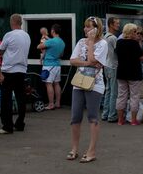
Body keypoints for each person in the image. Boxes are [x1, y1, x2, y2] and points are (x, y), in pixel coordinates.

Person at [68, 16, 108, 163]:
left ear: (97, 29)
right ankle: (74, 148)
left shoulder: (103, 43)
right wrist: (88, 63)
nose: (86, 29)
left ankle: (91, 151)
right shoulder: (80, 42)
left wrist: (90, 43)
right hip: (79, 82)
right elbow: (73, 60)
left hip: (95, 84)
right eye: (85, 26)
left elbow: (94, 60)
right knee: (75, 117)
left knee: (92, 116)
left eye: (89, 27)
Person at [0, 14, 31, 135]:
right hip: (22, 70)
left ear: (11, 22)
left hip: (8, 70)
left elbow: (0, 51)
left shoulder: (9, 35)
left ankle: (7, 126)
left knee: (6, 98)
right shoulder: (27, 36)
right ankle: (20, 123)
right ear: (20, 23)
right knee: (21, 98)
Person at [115, 23, 143, 125]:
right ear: (131, 32)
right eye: (135, 32)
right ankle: (133, 120)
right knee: (134, 96)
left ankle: (120, 120)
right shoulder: (134, 43)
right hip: (134, 72)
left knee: (121, 96)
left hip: (121, 72)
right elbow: (141, 57)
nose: (137, 34)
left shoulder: (119, 43)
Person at [37, 23, 66, 110]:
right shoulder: (62, 42)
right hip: (57, 65)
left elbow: (38, 46)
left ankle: (51, 104)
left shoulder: (50, 41)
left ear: (53, 31)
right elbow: (61, 55)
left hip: (49, 65)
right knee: (57, 84)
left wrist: (45, 39)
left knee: (48, 84)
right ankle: (57, 103)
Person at [101, 17, 120, 123]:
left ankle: (105, 113)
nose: (118, 25)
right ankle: (112, 115)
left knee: (108, 90)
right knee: (114, 92)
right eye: (117, 23)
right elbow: (118, 52)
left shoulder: (105, 36)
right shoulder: (113, 38)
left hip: (106, 65)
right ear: (111, 25)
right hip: (113, 66)